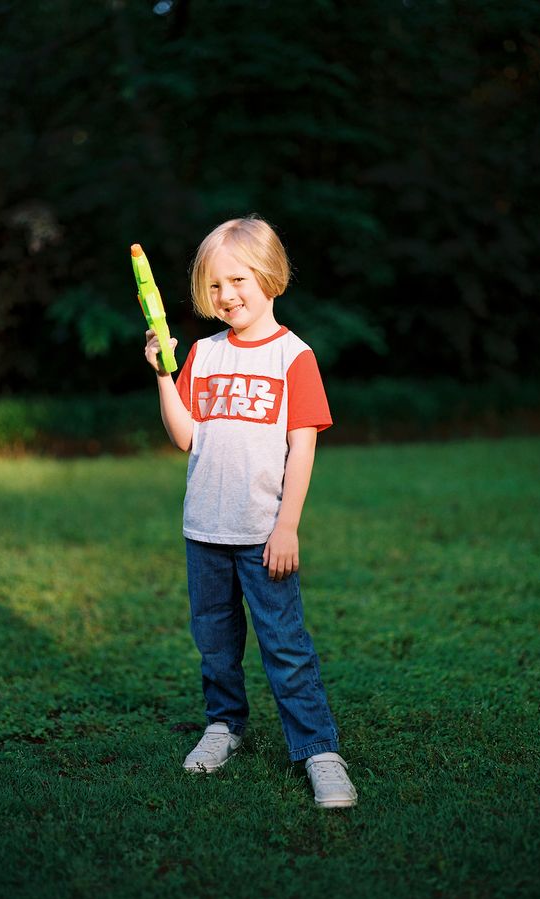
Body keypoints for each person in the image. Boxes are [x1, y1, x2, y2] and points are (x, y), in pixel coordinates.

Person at [144, 215, 357, 809]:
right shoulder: (205, 355)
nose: (226, 295)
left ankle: (319, 751)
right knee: (214, 642)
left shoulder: (294, 356)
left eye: (238, 280)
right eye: (214, 285)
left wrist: (287, 524)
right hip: (203, 530)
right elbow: (185, 436)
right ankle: (224, 727)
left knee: (285, 646)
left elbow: (303, 444)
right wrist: (165, 374)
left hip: (264, 534)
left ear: (269, 276)